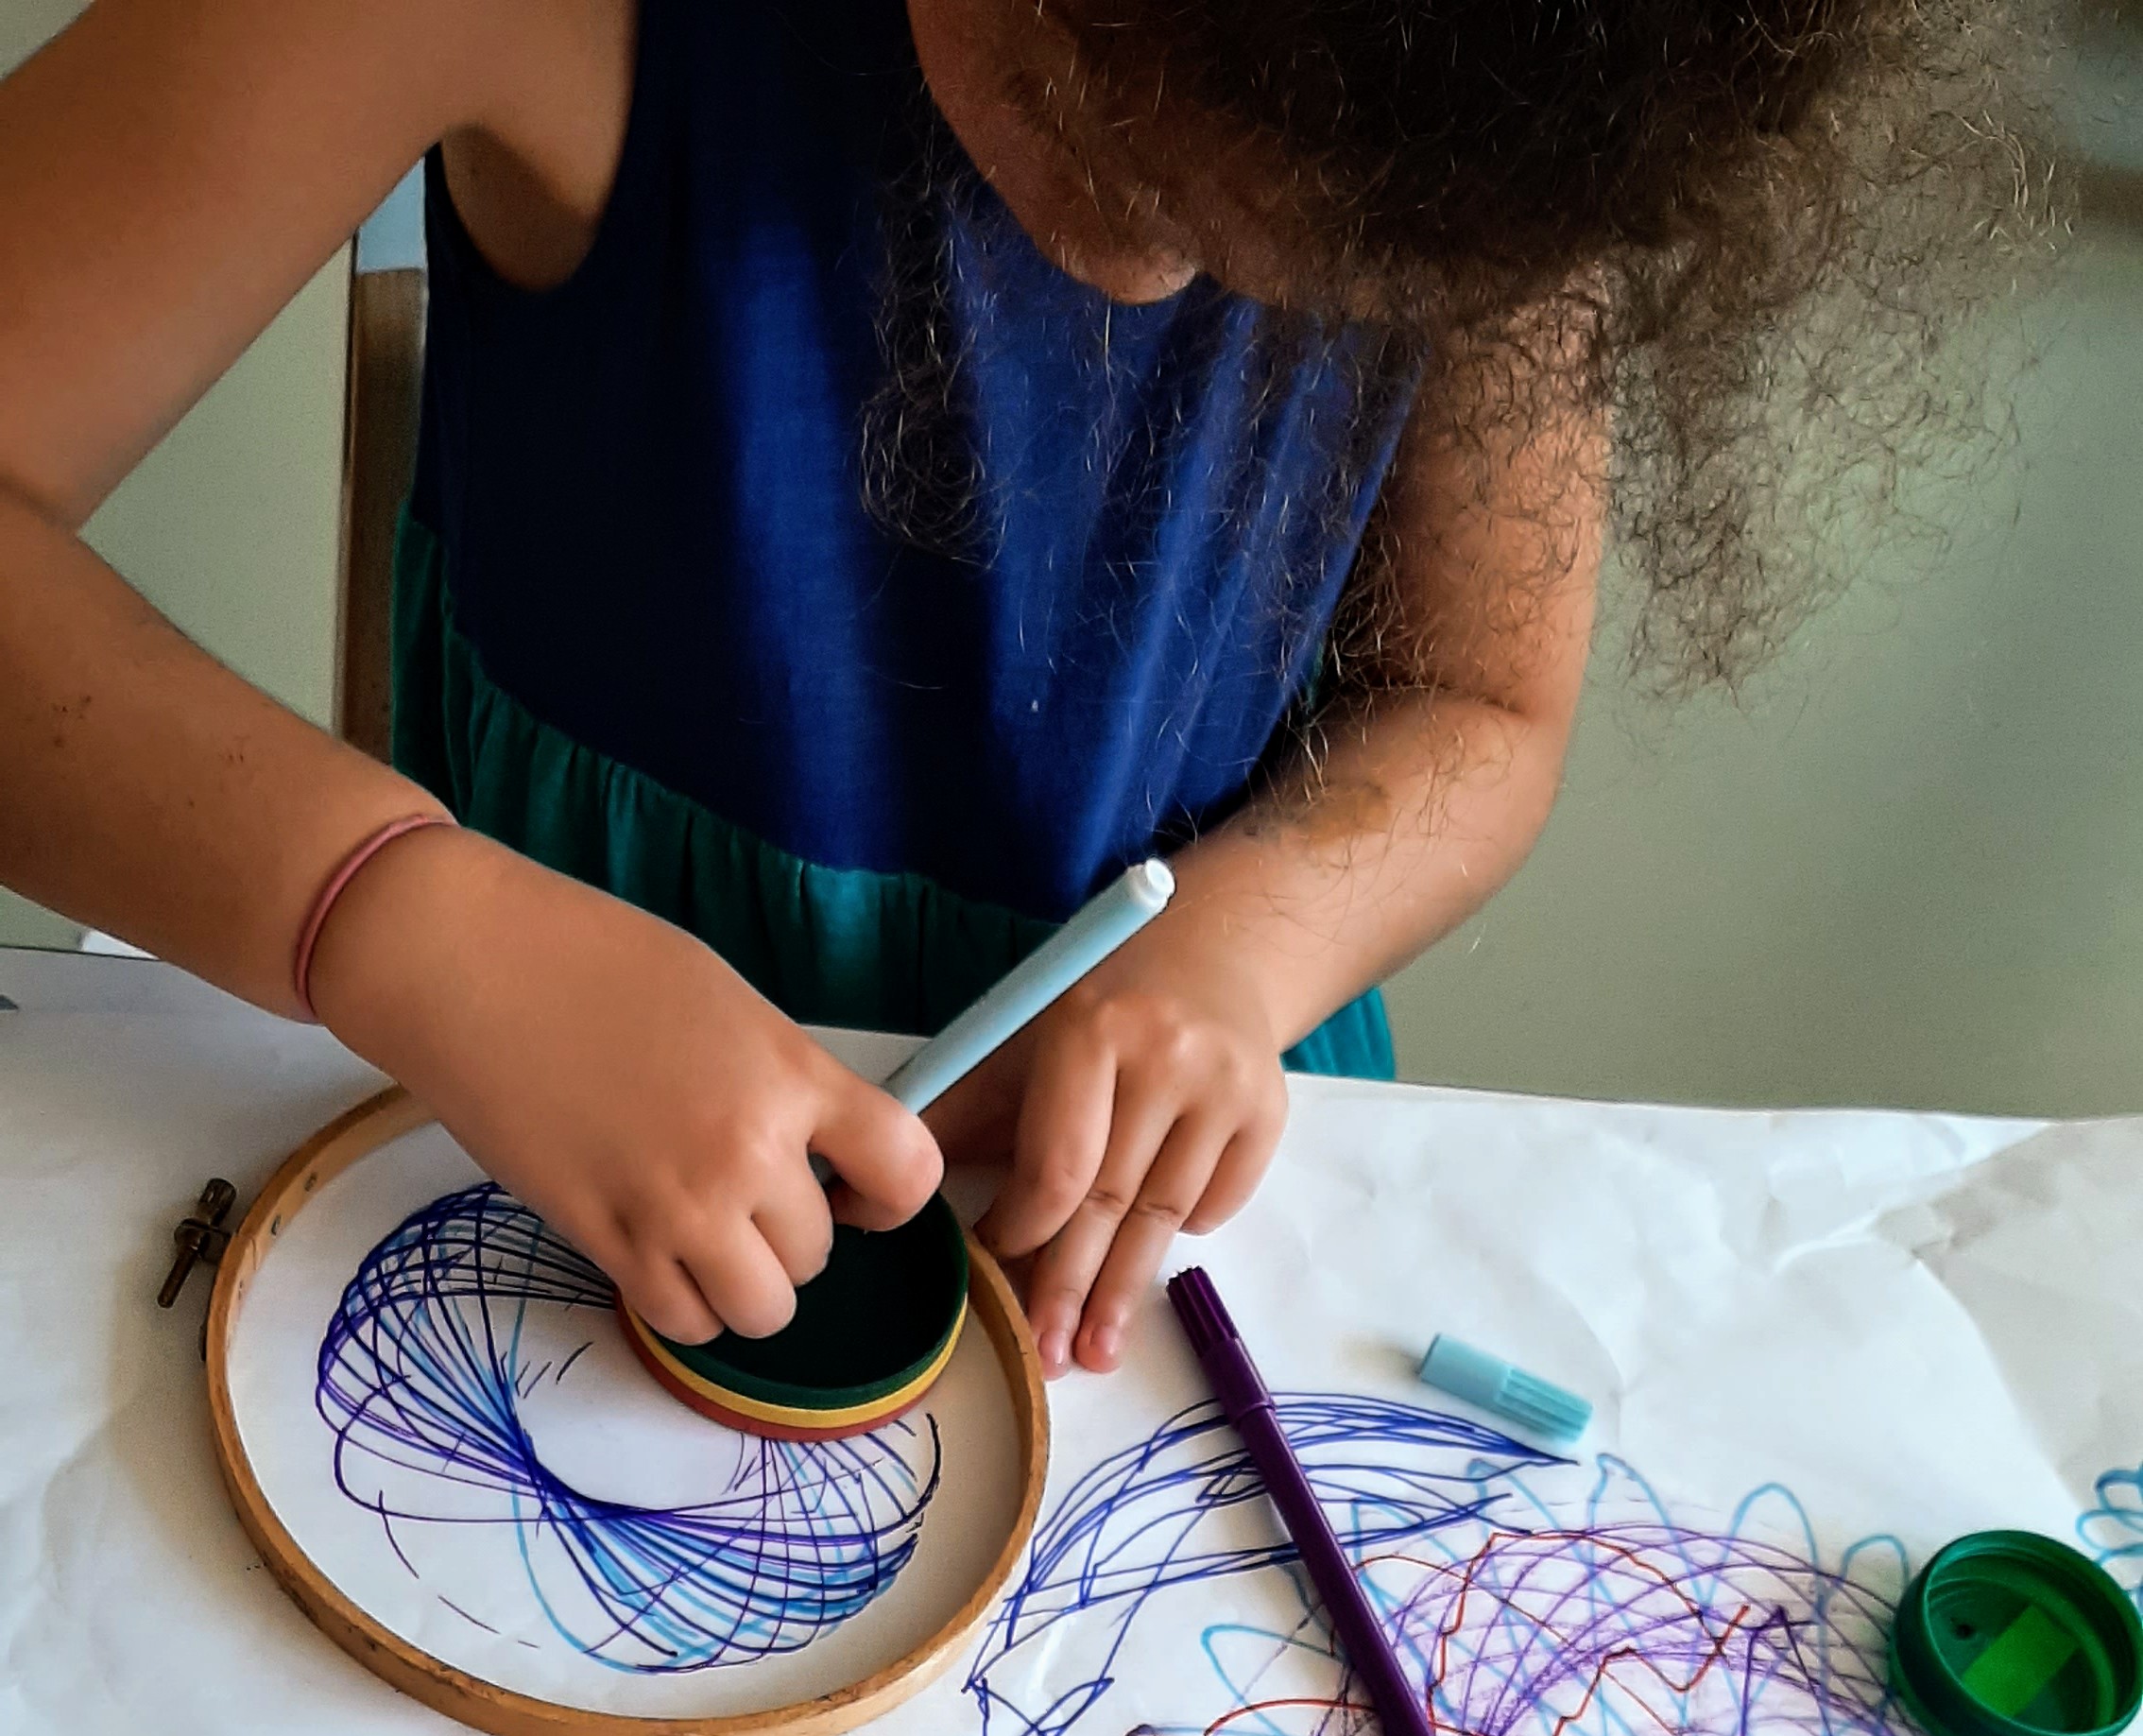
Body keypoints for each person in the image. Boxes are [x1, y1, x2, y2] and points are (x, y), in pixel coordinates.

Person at [0, 0, 2012, 1376]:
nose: (1145, 272)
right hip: (524, 1105)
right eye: (1091, 106)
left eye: (1302, 270)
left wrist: (1251, 948)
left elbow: (1478, 708)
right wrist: (401, 919)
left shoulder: (1511, 84)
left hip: (1160, 1159)